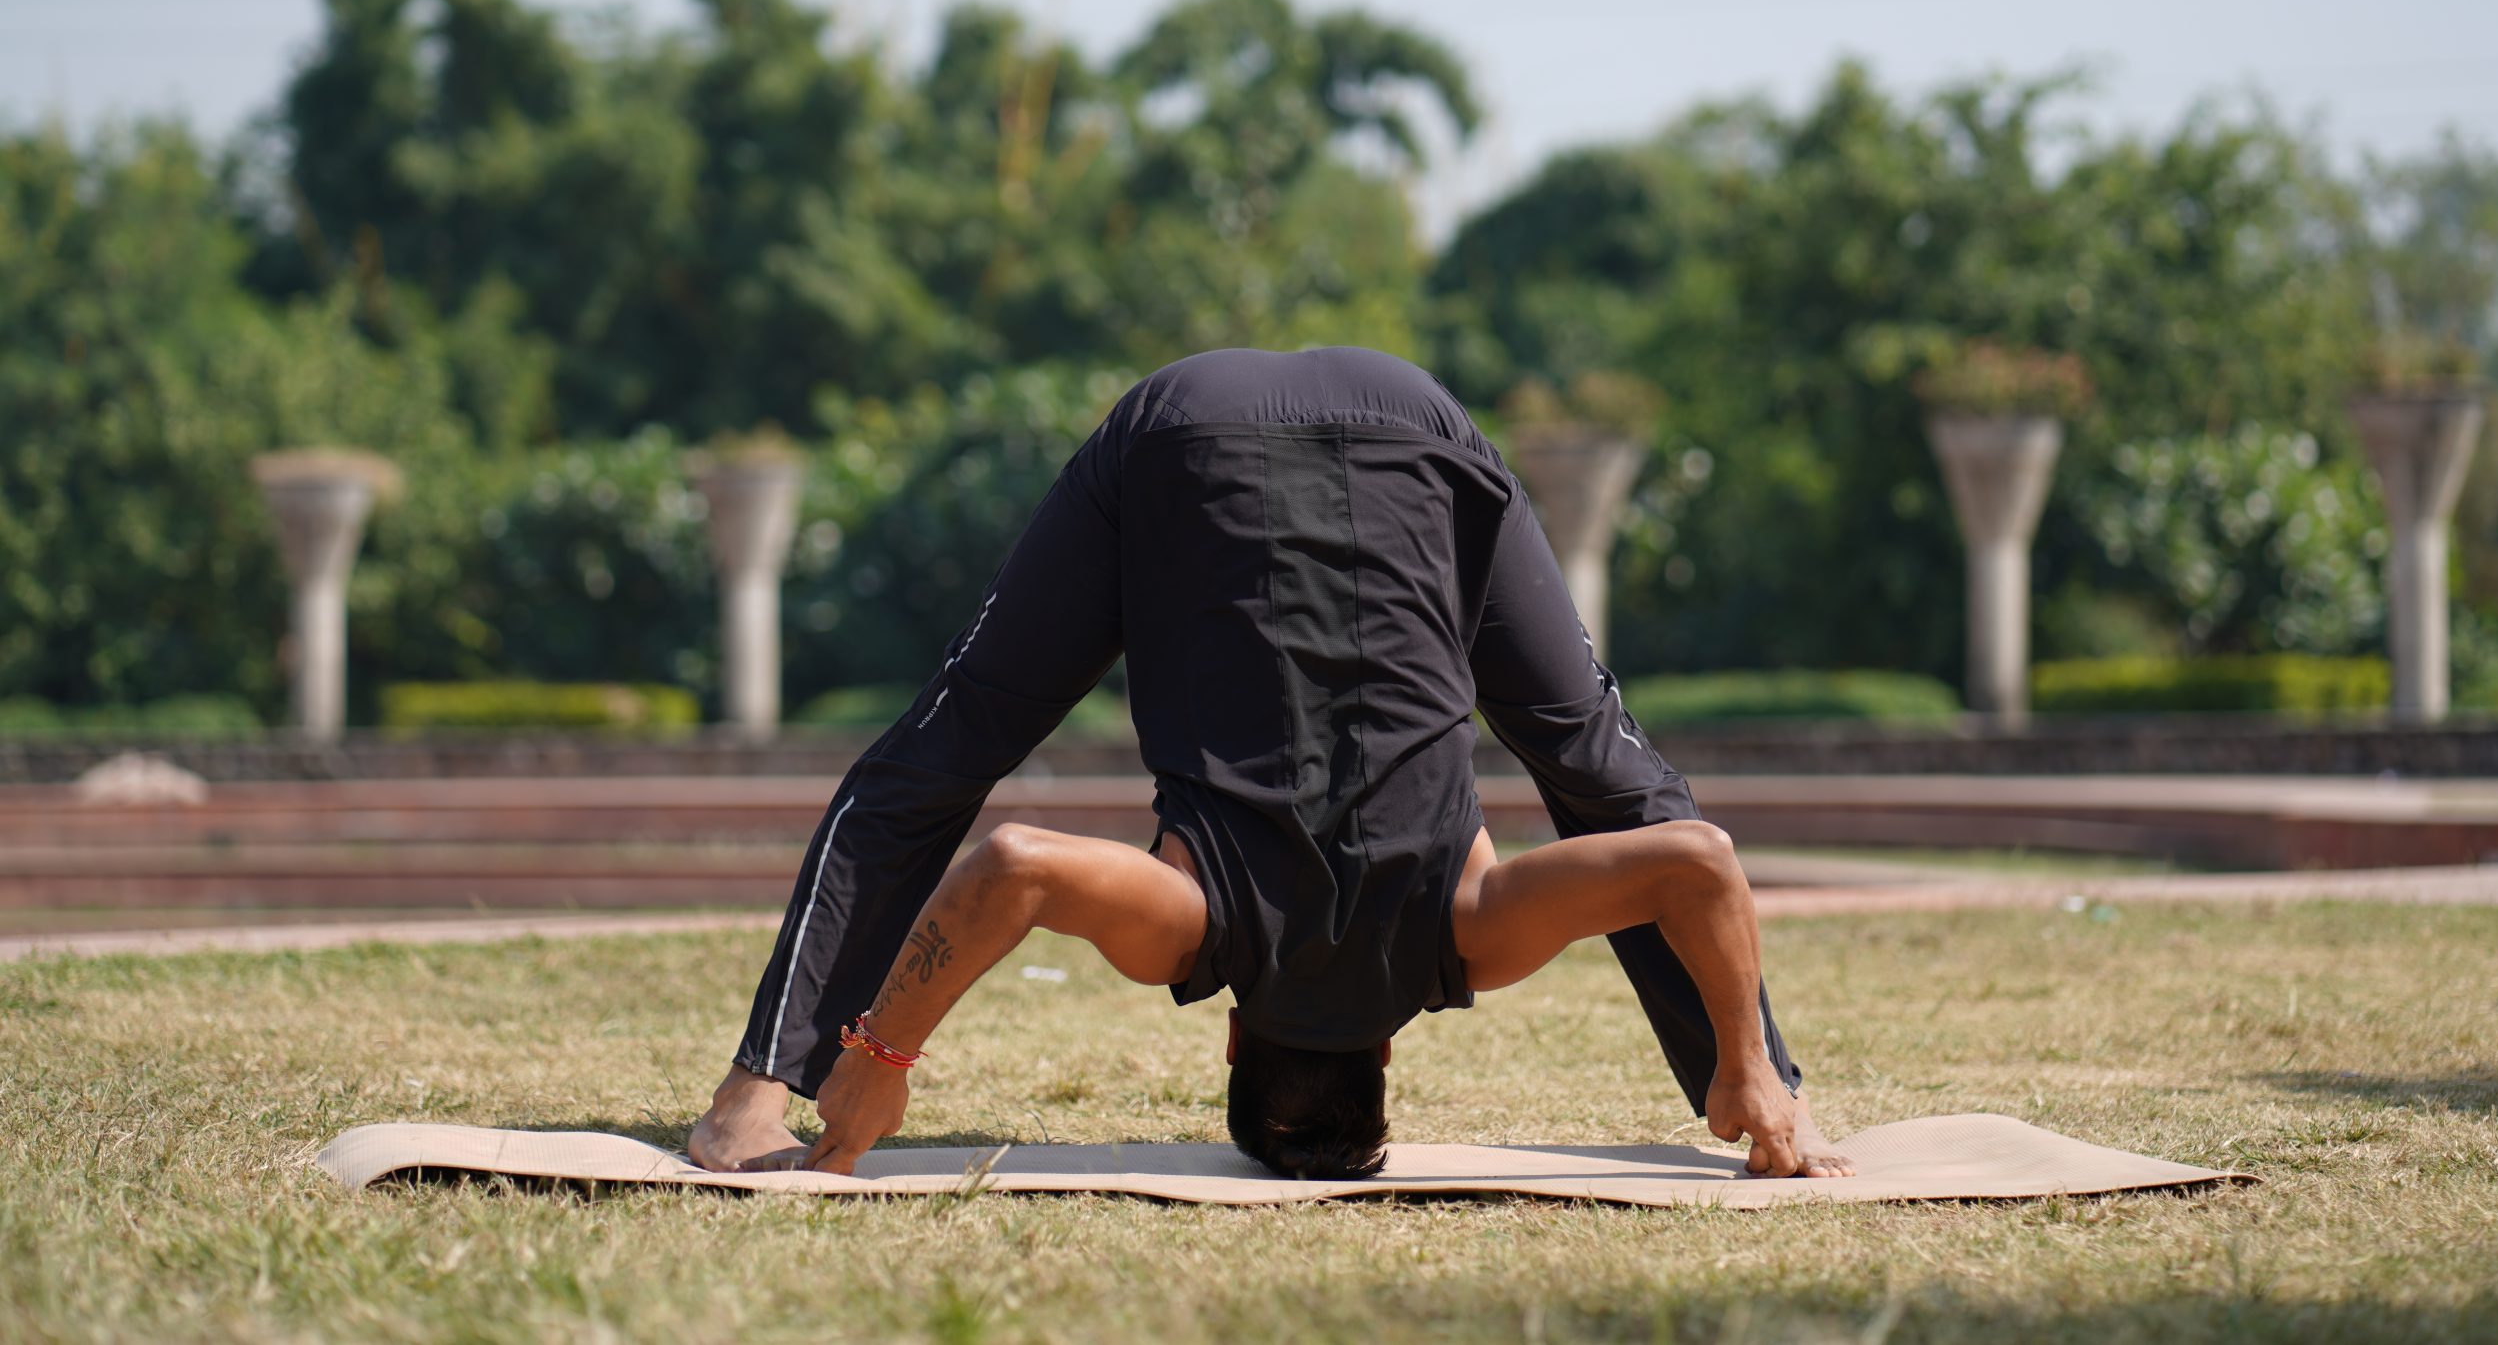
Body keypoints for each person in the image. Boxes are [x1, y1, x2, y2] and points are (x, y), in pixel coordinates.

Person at [687, 346, 1853, 1180]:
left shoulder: (1473, 932)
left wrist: (1748, 1061)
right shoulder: (1193, 930)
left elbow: (1688, 860)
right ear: (1235, 1036)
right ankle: (747, 1099)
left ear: (1390, 1048)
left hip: (1396, 423)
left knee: (1603, 775)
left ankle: (1760, 1105)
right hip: (1250, 432)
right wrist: (879, 1061)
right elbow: (1018, 869)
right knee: (1598, 763)